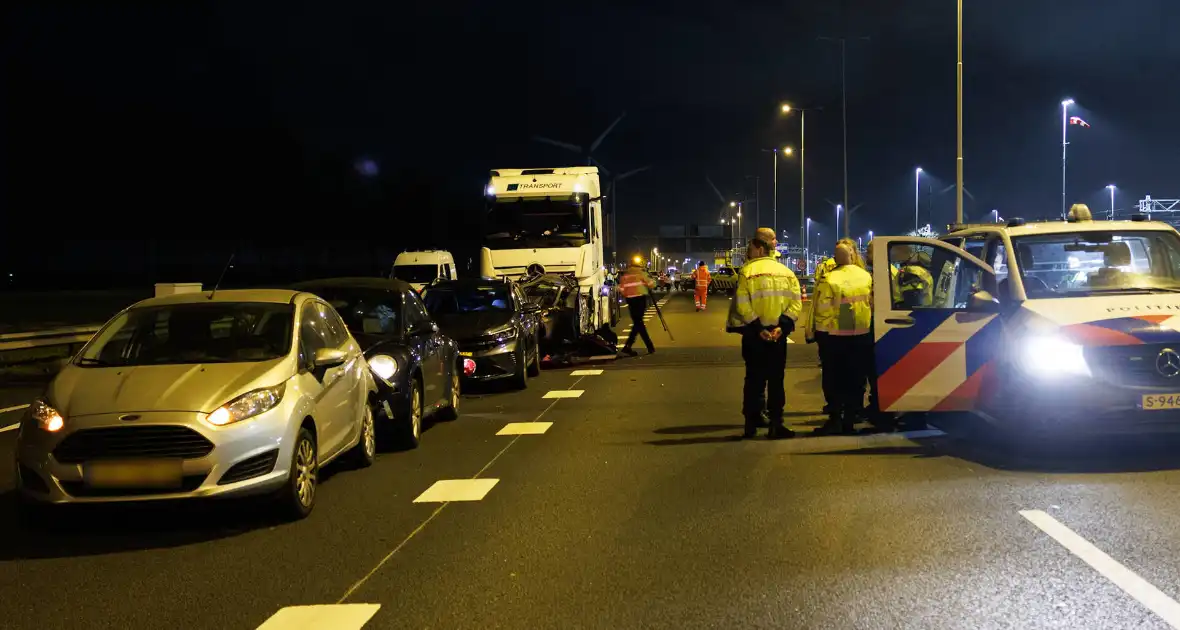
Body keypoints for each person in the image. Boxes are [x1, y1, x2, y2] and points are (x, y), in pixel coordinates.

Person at [726, 233, 803, 439]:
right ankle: (776, 424)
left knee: (753, 379)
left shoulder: (747, 272)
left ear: (760, 249)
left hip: (755, 335)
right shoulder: (787, 273)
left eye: (749, 250)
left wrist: (758, 327)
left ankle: (751, 424)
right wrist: (782, 327)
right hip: (778, 336)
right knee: (776, 380)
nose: (747, 254)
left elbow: (742, 304)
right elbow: (796, 303)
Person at [811, 243, 874, 435]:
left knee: (834, 380)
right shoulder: (865, 276)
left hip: (835, 338)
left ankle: (835, 419)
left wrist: (820, 336)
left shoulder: (829, 278)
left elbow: (822, 311)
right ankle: (850, 420)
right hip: (861, 334)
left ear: (836, 258)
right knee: (855, 379)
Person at [619, 261, 656, 356]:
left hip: (630, 301)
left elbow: (622, 290)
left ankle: (630, 346)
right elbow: (651, 284)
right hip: (640, 299)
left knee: (638, 322)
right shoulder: (641, 273)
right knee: (639, 323)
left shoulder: (625, 275)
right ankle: (646, 346)